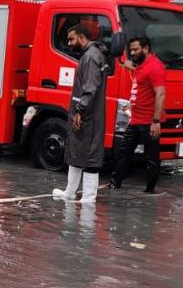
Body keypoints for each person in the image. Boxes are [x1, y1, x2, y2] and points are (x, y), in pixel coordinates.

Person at [52, 23, 108, 203]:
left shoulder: (91, 57)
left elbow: (90, 89)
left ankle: (88, 197)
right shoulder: (90, 55)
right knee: (76, 151)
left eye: (71, 39)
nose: (69, 43)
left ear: (82, 38)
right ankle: (70, 192)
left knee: (90, 154)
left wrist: (79, 111)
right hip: (86, 114)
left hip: (89, 116)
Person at [112, 35, 167, 193]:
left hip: (149, 122)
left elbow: (161, 94)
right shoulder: (141, 65)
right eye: (131, 50)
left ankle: (150, 191)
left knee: (151, 158)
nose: (133, 52)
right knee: (124, 153)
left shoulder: (155, 66)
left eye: (136, 49)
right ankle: (114, 184)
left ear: (146, 49)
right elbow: (137, 73)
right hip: (135, 120)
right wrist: (124, 64)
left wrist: (156, 121)